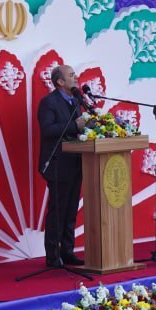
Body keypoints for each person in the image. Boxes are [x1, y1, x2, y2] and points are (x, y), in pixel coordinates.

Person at [37, 64, 86, 267]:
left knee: (71, 210)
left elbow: (79, 129)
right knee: (58, 211)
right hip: (57, 164)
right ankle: (52, 256)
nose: (76, 77)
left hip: (75, 162)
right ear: (60, 81)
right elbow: (48, 129)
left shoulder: (75, 101)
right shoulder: (49, 102)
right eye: (72, 75)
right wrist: (75, 126)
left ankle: (67, 252)